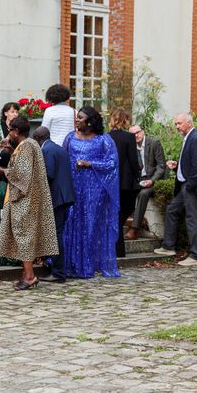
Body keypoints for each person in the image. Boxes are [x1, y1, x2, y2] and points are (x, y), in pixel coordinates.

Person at [0, 116, 58, 290]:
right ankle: (26, 274)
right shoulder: (29, 144)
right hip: (30, 198)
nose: (9, 133)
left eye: (10, 130)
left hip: (25, 200)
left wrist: (1, 170)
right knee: (25, 237)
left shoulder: (27, 146)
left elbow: (22, 174)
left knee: (24, 238)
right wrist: (11, 149)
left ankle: (29, 276)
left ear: (15, 131)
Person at [62, 106, 120, 278]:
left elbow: (112, 163)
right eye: (77, 117)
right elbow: (63, 159)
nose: (77, 120)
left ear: (90, 121)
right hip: (73, 188)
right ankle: (70, 264)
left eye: (80, 117)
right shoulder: (70, 138)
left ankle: (88, 265)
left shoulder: (104, 140)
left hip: (95, 192)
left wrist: (91, 164)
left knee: (90, 225)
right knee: (71, 221)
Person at [154, 113, 197, 266]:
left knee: (192, 219)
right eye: (176, 124)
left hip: (191, 187)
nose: (177, 126)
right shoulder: (189, 137)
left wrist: (190, 187)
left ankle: (196, 256)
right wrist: (177, 166)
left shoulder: (196, 138)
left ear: (189, 123)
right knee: (172, 210)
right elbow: (190, 163)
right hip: (185, 185)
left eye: (179, 123)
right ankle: (169, 247)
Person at [32, 126, 75, 283]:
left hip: (57, 197)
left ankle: (58, 273)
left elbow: (48, 174)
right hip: (64, 196)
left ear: (37, 139)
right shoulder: (58, 148)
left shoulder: (47, 150)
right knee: (58, 233)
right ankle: (56, 269)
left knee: (55, 235)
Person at [108, 109, 140, 257]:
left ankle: (117, 250)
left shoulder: (106, 137)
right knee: (122, 214)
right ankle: (118, 250)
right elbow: (133, 160)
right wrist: (138, 176)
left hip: (110, 182)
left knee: (116, 216)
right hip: (126, 183)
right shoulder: (129, 137)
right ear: (125, 120)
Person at [125, 125, 166, 240]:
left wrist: (152, 181)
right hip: (139, 180)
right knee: (125, 191)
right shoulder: (131, 146)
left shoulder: (154, 143)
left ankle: (134, 229)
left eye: (137, 132)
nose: (136, 136)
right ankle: (124, 223)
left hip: (154, 179)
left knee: (143, 194)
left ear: (143, 132)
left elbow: (161, 166)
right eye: (132, 134)